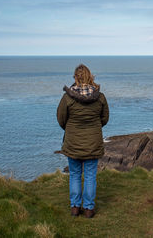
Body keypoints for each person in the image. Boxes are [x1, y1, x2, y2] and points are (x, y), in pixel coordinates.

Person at [57, 64, 109, 218]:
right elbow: (104, 119)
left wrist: (71, 129)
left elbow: (61, 119)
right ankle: (88, 209)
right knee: (90, 176)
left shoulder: (67, 98)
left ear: (75, 78)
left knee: (74, 174)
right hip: (93, 142)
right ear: (90, 76)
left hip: (73, 142)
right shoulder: (100, 97)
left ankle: (74, 207)